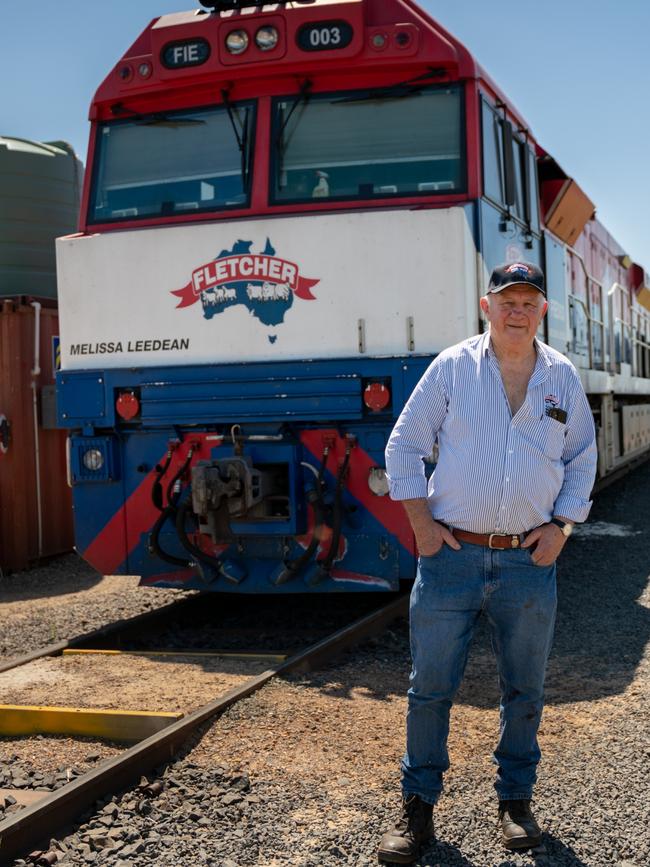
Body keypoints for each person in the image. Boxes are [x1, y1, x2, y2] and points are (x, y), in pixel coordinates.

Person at [378, 262, 597, 864]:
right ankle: (416, 810)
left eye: (529, 301)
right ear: (486, 306)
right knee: (430, 689)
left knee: (525, 687)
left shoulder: (563, 378)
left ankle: (516, 803)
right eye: (508, 301)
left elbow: (581, 456)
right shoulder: (452, 368)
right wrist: (421, 524)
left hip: (530, 560)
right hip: (453, 558)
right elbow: (404, 445)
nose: (518, 311)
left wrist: (563, 527)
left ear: (543, 311)